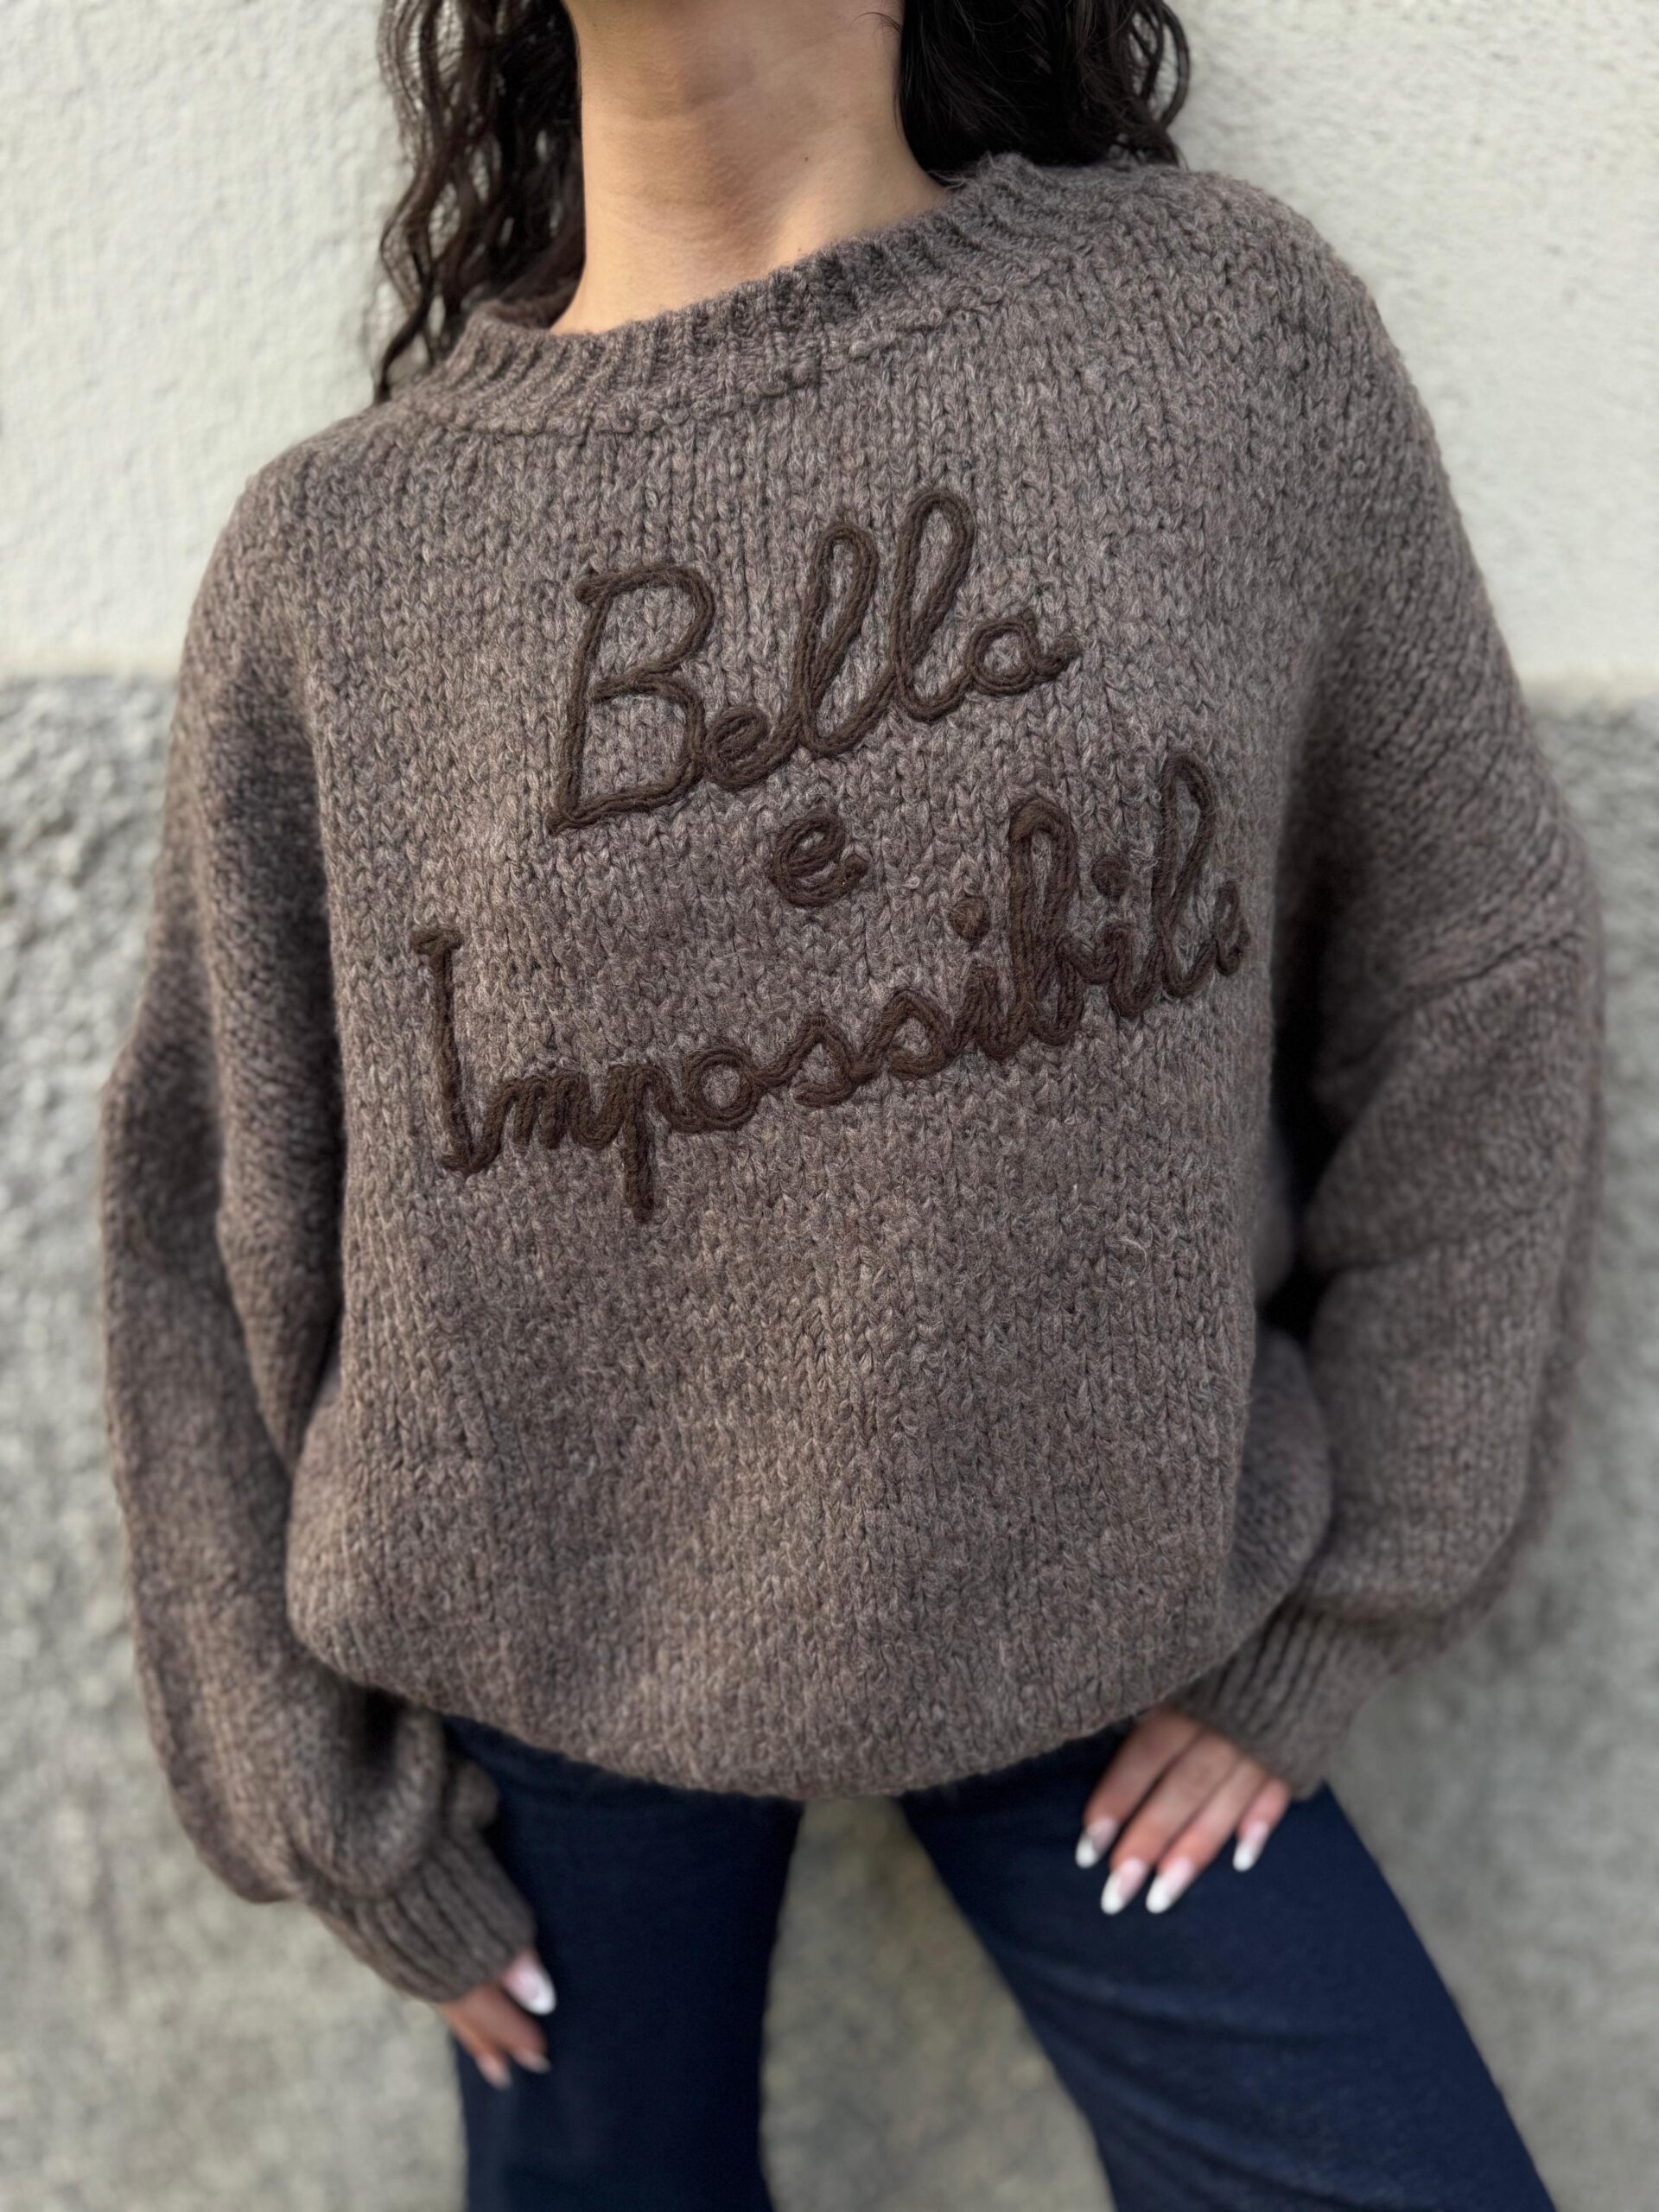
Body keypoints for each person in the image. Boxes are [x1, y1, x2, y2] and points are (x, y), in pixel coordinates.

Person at [98, 2, 1605, 2205]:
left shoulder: (1213, 346)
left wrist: (1352, 1585)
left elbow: (1472, 976)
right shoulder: (347, 561)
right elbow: (202, 1197)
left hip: (1107, 1597)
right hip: (551, 1658)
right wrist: (330, 1803)